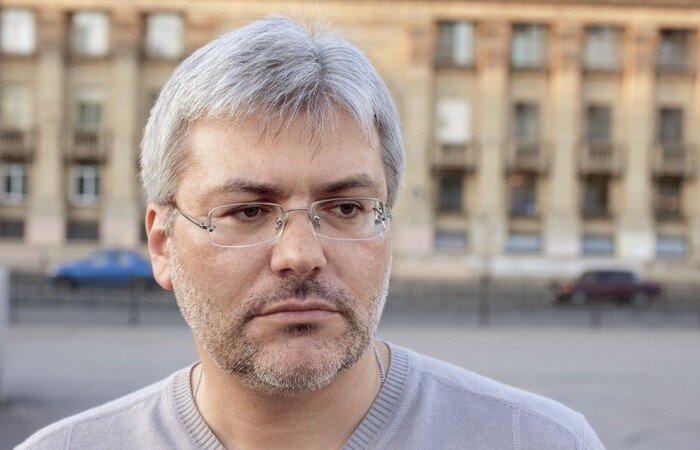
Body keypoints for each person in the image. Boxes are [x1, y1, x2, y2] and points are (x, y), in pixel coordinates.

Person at [19, 15, 604, 450]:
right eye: (247, 211)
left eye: (346, 207)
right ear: (163, 244)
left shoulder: (540, 441)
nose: (301, 255)